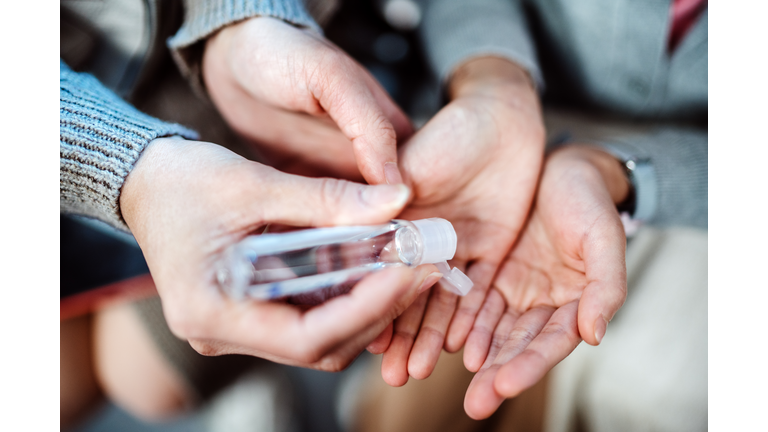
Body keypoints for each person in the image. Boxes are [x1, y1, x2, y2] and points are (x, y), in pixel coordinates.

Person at [60, 0, 439, 427]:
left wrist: (234, 20)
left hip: (257, 123)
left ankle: (259, 367)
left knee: (144, 380)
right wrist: (131, 170)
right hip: (84, 155)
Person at [347, 0, 707, 430]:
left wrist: (615, 175)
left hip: (690, 184)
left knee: (649, 398)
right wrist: (493, 82)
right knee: (410, 416)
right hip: (486, 144)